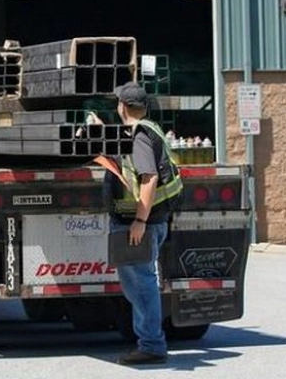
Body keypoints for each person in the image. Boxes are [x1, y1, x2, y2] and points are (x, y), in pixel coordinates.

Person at [109, 81, 183, 366]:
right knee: (140, 283)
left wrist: (139, 220)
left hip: (142, 222)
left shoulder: (140, 135)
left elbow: (149, 177)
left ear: (123, 107)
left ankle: (151, 345)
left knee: (141, 285)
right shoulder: (149, 129)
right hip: (154, 220)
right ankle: (150, 341)